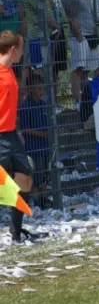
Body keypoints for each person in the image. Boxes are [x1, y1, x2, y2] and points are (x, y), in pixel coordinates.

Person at [0, 31, 35, 242]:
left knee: (25, 176)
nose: (22, 55)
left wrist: (17, 131)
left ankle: (16, 230)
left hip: (11, 135)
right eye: (21, 50)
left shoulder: (10, 70)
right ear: (13, 50)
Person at [19, 73, 50, 208]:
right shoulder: (26, 107)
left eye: (42, 88)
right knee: (36, 175)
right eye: (39, 88)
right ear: (31, 89)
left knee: (45, 174)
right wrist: (41, 134)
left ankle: (44, 198)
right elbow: (24, 129)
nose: (41, 91)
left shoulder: (43, 105)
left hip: (45, 146)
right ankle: (37, 200)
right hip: (34, 147)